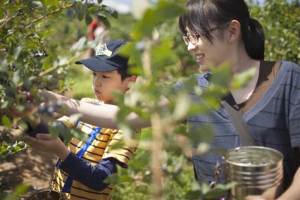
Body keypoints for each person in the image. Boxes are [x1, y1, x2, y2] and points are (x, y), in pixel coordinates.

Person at [39, 0, 300, 198]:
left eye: (196, 36)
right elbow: (131, 116)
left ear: (232, 31)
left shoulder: (288, 78)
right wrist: (60, 102)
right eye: (186, 37)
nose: (189, 46)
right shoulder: (190, 89)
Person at [25, 40, 138, 200]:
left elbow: (101, 179)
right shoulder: (85, 106)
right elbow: (53, 132)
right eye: (94, 74)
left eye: (105, 76)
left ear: (130, 81)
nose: (97, 82)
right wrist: (27, 114)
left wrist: (62, 152)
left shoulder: (128, 125)